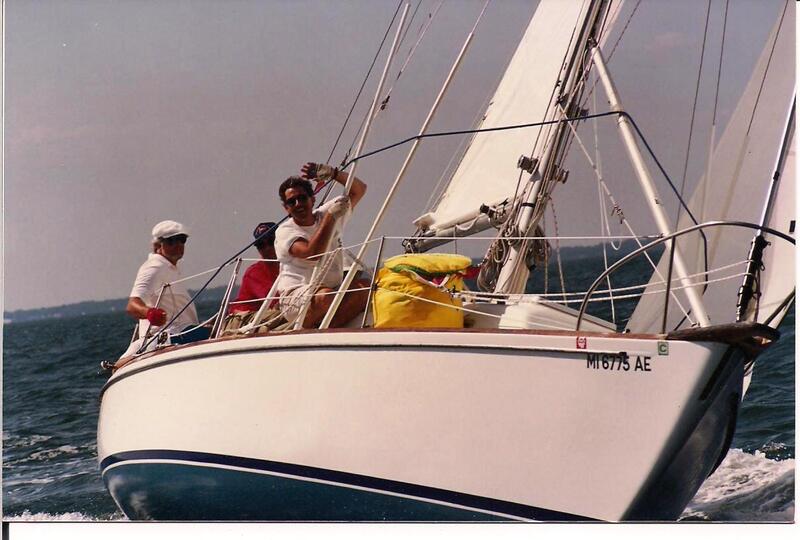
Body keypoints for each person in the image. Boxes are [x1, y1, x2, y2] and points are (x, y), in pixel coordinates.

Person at [274, 162, 370, 328]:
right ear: (286, 208)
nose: (298, 204)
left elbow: (359, 189)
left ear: (312, 199)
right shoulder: (285, 231)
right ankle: (306, 330)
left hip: (329, 290)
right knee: (326, 297)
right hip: (295, 296)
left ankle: (327, 331)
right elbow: (312, 254)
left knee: (364, 288)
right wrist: (330, 218)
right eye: (292, 202)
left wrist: (333, 174)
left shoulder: (324, 213)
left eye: (302, 198)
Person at [125, 220, 208, 353]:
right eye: (171, 241)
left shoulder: (171, 268)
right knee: (218, 332)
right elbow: (132, 305)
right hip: (167, 337)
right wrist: (150, 313)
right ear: (158, 245)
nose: (178, 245)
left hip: (183, 333)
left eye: (182, 240)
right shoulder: (154, 267)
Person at [229, 221, 279, 313]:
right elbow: (274, 301)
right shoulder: (254, 273)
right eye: (261, 245)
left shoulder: (296, 262)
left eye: (271, 241)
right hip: (249, 318)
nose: (267, 248)